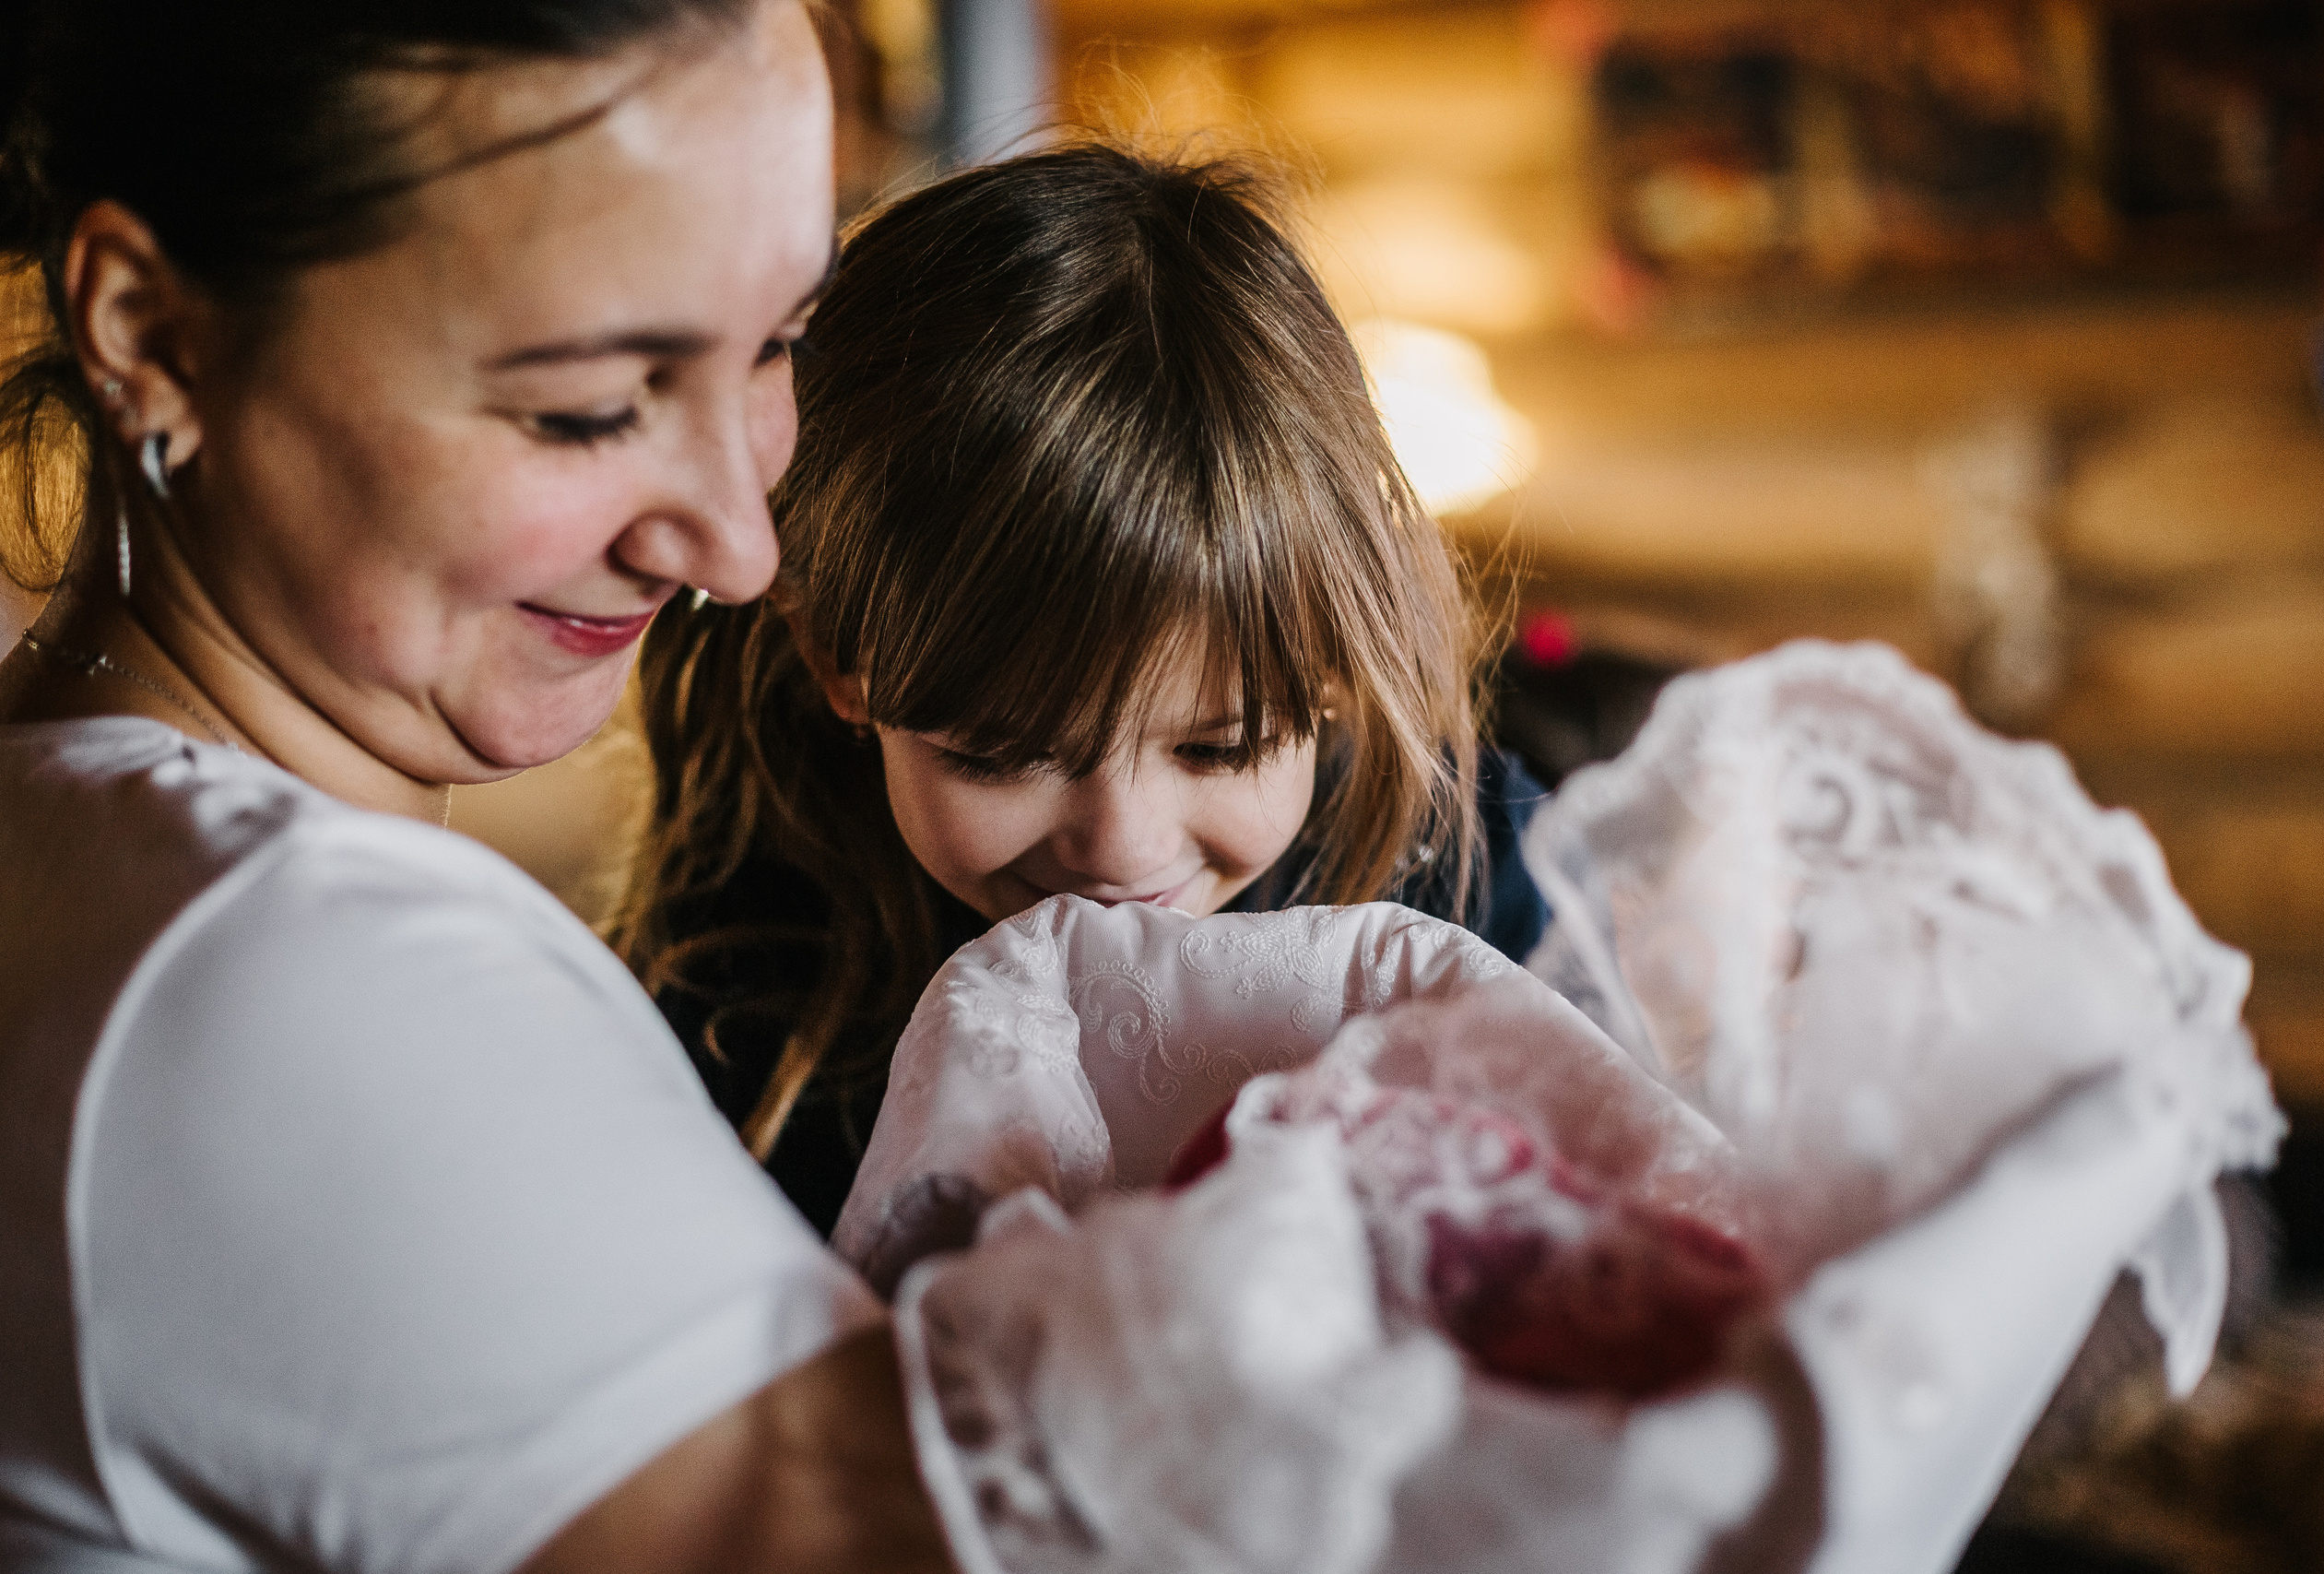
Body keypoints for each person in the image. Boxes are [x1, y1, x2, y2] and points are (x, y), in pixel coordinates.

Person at [1, 8, 1448, 1573]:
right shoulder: (284, 982)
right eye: (590, 403)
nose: (742, 548)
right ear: (152, 330)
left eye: (774, 348)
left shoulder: (83, 849)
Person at [614, 144, 1554, 1239]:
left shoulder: (1462, 882)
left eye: (1221, 748)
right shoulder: (744, 996)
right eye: (1004, 753)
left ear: (1336, 669)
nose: (1119, 845)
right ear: (841, 661)